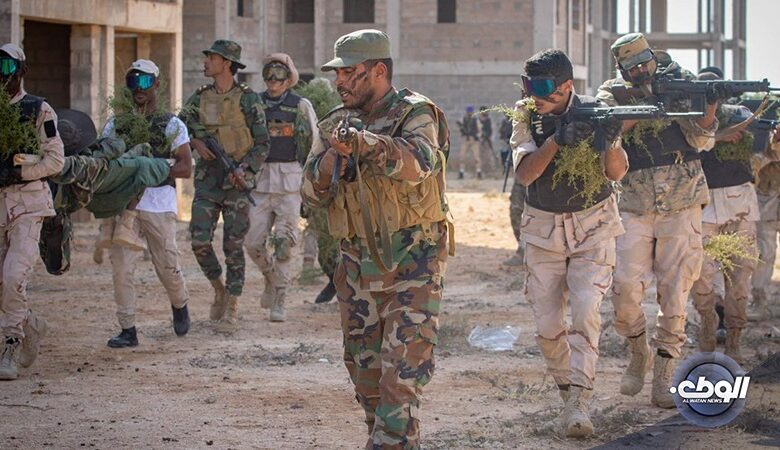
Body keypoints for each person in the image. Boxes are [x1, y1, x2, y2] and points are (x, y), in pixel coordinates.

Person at [301, 29, 452, 449]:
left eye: (348, 72)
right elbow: (310, 192)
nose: (339, 81)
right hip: (356, 266)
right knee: (365, 375)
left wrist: (367, 145)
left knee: (401, 376)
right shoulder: (334, 124)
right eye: (337, 73)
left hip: (413, 262)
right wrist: (334, 157)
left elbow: (420, 163)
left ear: (379, 71)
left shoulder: (415, 113)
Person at [597, 32, 720, 408]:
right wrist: (645, 108)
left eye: (644, 63)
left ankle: (665, 373)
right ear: (621, 70)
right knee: (623, 289)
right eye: (631, 68)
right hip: (633, 203)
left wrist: (708, 106)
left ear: (653, 57)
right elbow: (606, 133)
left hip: (682, 202)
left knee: (675, 293)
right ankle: (639, 351)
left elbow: (702, 141)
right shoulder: (612, 93)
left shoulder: (680, 81)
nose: (640, 71)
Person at [511, 49, 626, 437]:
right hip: (543, 229)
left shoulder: (596, 111)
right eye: (528, 86)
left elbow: (616, 172)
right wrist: (557, 140)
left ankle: (580, 401)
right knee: (547, 325)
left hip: (593, 226)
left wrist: (610, 139)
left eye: (543, 88)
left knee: (586, 310)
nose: (535, 96)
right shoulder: (526, 116)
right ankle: (566, 395)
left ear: (566, 87)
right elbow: (525, 175)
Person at [99, 59, 193, 347]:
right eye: (133, 81)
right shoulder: (116, 125)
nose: (138, 88)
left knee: (167, 265)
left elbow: (185, 167)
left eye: (144, 81)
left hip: (158, 204)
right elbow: (103, 164)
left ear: (156, 84)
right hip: (124, 206)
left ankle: (180, 304)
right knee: (121, 268)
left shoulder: (171, 125)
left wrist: (150, 168)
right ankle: (128, 329)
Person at [180, 40, 269, 333]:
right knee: (199, 241)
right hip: (208, 180)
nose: (205, 62)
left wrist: (244, 169)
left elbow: (262, 143)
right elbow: (179, 126)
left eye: (212, 58)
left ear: (227, 64)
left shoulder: (248, 99)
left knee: (233, 245)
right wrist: (195, 141)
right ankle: (218, 287)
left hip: (236, 181)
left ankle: (232, 302)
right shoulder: (199, 97)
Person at [0, 43, 64, 380]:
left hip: (27, 204)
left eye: (7, 68)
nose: (2, 75)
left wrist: (18, 172)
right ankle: (30, 324)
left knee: (13, 277)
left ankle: (10, 345)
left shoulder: (38, 109)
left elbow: (55, 160)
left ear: (21, 71)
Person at [244, 53, 316, 322]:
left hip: (289, 182)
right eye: (269, 75)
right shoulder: (254, 103)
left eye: (279, 76)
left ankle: (280, 298)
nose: (273, 81)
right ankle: (270, 278)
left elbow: (315, 144)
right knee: (252, 243)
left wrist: (311, 184)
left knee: (285, 243)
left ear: (288, 80)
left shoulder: (301, 106)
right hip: (260, 181)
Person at [751, 119, 780, 320]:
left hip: (768, 202)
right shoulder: (764, 139)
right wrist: (775, 141)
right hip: (767, 203)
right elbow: (762, 159)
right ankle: (759, 301)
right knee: (764, 254)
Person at [501, 110, 526, 267]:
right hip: (523, 168)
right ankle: (522, 250)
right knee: (516, 209)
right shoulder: (523, 112)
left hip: (545, 171)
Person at [457, 104, 480, 179]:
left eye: (470, 111)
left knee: (476, 157)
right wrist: (462, 130)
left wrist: (477, 136)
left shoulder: (475, 120)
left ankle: (478, 172)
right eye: (468, 111)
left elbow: (479, 129)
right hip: (465, 139)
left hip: (473, 139)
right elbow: (459, 128)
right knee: (462, 157)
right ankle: (461, 172)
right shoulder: (463, 119)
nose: (469, 113)